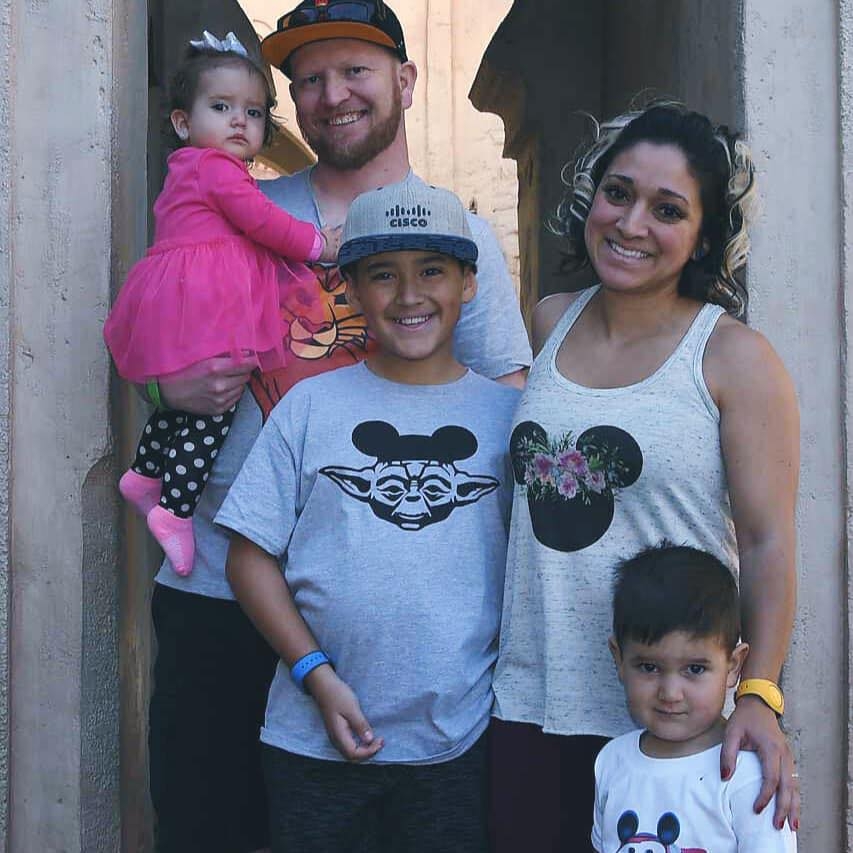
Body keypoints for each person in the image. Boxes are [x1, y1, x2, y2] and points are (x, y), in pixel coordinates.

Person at [144, 4, 532, 852]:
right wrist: (162, 384)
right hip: (216, 580)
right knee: (206, 823)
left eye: (354, 70)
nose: (331, 95)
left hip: (376, 630)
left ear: (403, 79)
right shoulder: (237, 202)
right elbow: (160, 320)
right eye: (308, 79)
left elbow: (499, 414)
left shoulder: (453, 238)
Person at [490, 102, 799, 851]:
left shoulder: (734, 358)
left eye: (667, 209)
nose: (630, 223)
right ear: (590, 195)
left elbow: (766, 542)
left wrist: (758, 694)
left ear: (703, 235)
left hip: (671, 726)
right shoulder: (547, 320)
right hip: (526, 705)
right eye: (618, 192)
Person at [218, 178, 519, 853]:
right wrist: (314, 674)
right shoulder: (309, 407)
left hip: (457, 744)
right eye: (383, 274)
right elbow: (248, 555)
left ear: (469, 283)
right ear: (350, 289)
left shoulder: (506, 421)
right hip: (309, 742)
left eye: (432, 270)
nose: (409, 295)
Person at [104, 31, 339, 576]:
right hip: (210, 295)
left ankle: (145, 474)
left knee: (187, 399)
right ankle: (176, 509)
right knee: (220, 401)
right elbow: (262, 221)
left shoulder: (193, 168)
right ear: (184, 123)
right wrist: (316, 244)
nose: (240, 121)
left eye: (254, 112)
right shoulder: (215, 170)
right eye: (221, 107)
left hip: (188, 292)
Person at [593, 543, 796, 853]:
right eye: (649, 667)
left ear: (733, 666)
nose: (670, 694)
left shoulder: (749, 775)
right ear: (618, 659)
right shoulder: (611, 762)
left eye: (695, 669)